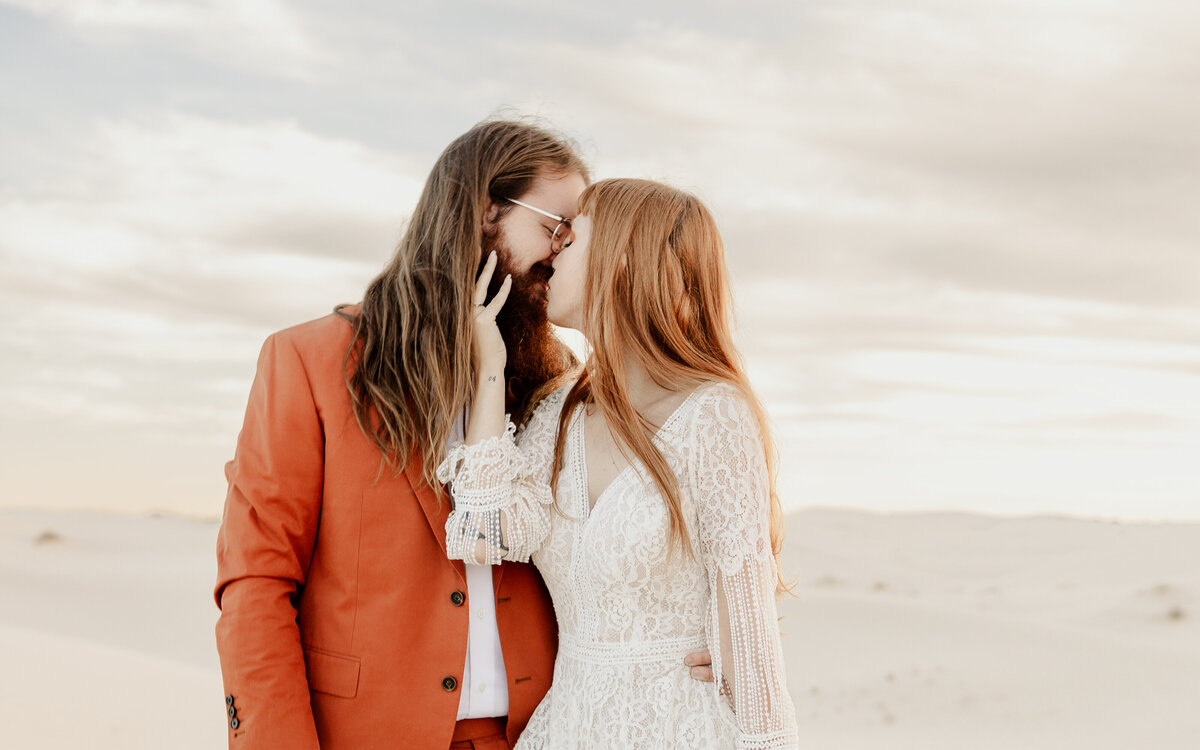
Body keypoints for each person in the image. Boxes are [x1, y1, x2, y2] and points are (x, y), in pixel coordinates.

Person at [213, 121, 718, 750]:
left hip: (543, 735)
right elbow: (257, 581)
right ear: (486, 212)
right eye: (554, 231)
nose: (561, 257)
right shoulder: (308, 362)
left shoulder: (558, 383)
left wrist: (716, 634)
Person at [438, 178, 800, 749]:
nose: (552, 249)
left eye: (571, 237)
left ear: (622, 259)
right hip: (569, 729)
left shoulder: (715, 416)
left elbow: (751, 649)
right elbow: (487, 534)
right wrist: (489, 365)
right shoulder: (559, 412)